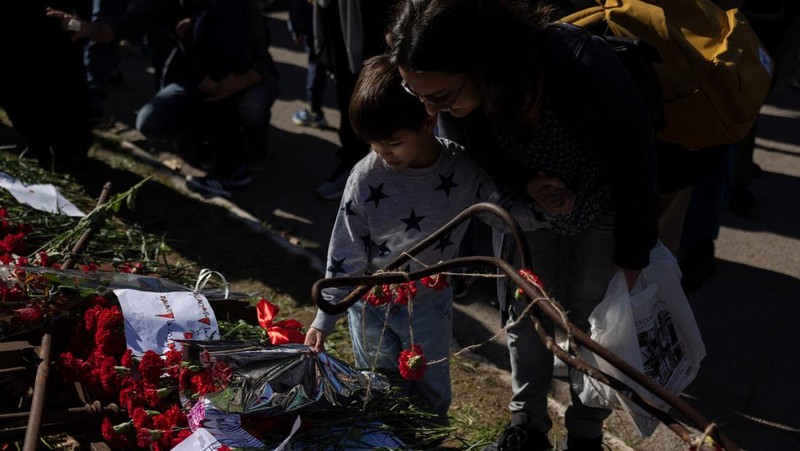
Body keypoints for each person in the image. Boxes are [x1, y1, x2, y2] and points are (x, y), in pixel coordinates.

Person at [387, 1, 659, 450]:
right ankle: (526, 425)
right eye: (416, 94)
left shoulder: (579, 64)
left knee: (592, 325)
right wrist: (525, 183)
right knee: (525, 312)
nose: (430, 112)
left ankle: (586, 432)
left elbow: (637, 159)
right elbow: (477, 158)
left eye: (439, 97)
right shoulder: (460, 108)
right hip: (527, 210)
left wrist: (632, 253)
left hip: (602, 205)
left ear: (481, 64)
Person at [303, 54, 555, 427]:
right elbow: (346, 250)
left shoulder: (463, 170)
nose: (382, 153)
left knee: (431, 384)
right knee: (378, 382)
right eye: (373, 143)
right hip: (371, 301)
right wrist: (326, 317)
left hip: (429, 301)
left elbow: (502, 214)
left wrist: (545, 208)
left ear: (428, 117)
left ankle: (429, 435)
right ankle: (383, 436)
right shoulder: (365, 178)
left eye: (392, 143)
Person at [47, 0, 280, 197]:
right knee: (154, 121)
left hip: (245, 76)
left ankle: (252, 148)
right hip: (201, 79)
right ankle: (203, 145)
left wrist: (239, 81)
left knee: (251, 106)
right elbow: (117, 28)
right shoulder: (161, 3)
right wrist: (78, 25)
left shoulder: (238, 5)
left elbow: (261, 56)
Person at [311, 0, 395, 200]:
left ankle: (396, 167)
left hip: (374, 15)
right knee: (348, 87)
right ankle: (353, 162)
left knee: (384, 86)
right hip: (339, 14)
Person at [288, 0, 328, 129]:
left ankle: (314, 111)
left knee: (316, 64)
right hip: (335, 20)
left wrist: (295, 27)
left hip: (314, 22)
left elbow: (296, 4)